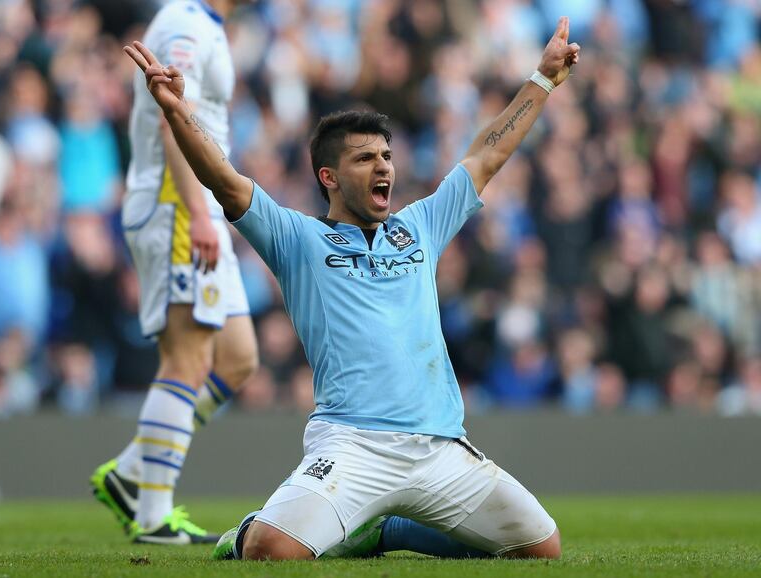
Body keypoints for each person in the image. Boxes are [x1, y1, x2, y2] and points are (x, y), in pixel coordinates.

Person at [124, 16, 579, 560]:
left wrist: (544, 79)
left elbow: (486, 155)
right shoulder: (298, 238)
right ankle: (250, 528)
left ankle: (386, 531)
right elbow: (224, 179)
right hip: (352, 445)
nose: (382, 165)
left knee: (540, 547)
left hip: (440, 448)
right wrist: (178, 111)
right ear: (329, 178)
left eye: (386, 155)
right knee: (273, 551)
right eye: (365, 158)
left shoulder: (420, 227)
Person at [90, 0, 258, 545]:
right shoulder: (186, 23)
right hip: (178, 203)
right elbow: (172, 114)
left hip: (195, 204)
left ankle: (133, 471)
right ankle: (152, 515)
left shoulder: (203, 22)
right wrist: (194, 212)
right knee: (187, 358)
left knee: (237, 359)